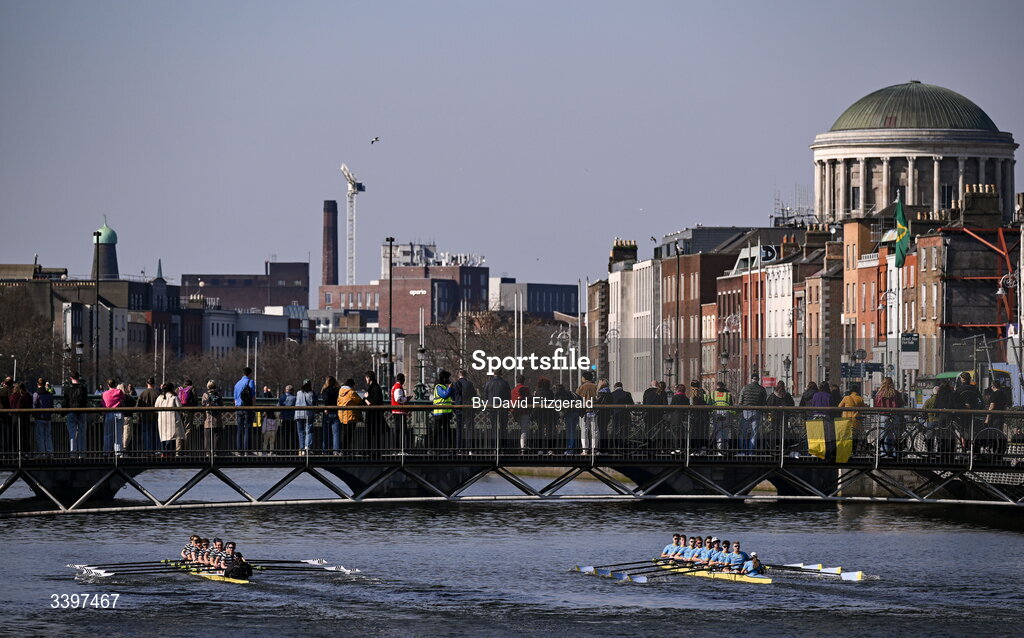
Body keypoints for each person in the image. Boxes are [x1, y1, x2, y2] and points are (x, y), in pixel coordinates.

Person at [982, 378, 1010, 460]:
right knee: (999, 433)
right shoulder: (1003, 394)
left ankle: (995, 451)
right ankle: (1000, 452)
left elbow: (992, 406)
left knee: (994, 434)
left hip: (995, 418)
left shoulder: (994, 394)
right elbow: (1005, 406)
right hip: (1001, 416)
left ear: (992, 386)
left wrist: (987, 418)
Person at [738, 374, 767, 452]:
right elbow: (764, 402)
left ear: (751, 379)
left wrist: (741, 408)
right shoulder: (762, 389)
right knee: (754, 433)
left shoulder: (745, 387)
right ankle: (751, 451)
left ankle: (742, 450)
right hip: (757, 411)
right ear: (758, 379)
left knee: (743, 431)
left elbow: (740, 400)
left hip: (746, 411)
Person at [483, 370, 511, 449]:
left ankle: (494, 447)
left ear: (493, 374)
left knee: (494, 428)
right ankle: (503, 447)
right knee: (503, 428)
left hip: (492, 408)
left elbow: (485, 396)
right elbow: (508, 396)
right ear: (501, 374)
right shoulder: (505, 383)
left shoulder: (488, 383)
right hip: (503, 408)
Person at [450, 369, 477, 450]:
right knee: (470, 429)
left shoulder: (456, 384)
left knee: (459, 429)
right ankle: (470, 449)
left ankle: (459, 448)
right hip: (468, 407)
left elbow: (453, 396)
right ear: (466, 375)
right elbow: (474, 394)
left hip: (459, 408)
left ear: (459, 375)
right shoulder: (470, 384)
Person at [155, 382, 184, 455]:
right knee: (172, 437)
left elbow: (155, 408)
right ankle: (170, 454)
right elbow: (180, 407)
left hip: (162, 420)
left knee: (163, 437)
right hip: (172, 420)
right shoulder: (174, 397)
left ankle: (163, 453)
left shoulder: (160, 397)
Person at [65, 371, 89, 455]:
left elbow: (66, 402)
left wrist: (63, 412)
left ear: (71, 378)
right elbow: (85, 401)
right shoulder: (83, 388)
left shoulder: (68, 389)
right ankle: (82, 453)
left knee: (72, 433)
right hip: (82, 411)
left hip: (71, 411)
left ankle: (73, 453)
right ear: (79, 378)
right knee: (82, 432)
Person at [336, 378, 363, 454]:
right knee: (349, 435)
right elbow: (359, 401)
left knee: (344, 434)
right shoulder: (351, 392)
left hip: (342, 415)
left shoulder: (340, 392)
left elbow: (338, 403)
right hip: (350, 416)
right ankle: (347, 450)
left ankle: (343, 450)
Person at [233, 367, 256, 453]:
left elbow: (235, 399)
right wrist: (253, 408)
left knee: (239, 429)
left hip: (239, 408)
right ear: (250, 374)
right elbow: (253, 397)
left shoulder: (237, 383)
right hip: (247, 408)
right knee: (247, 429)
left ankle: (239, 451)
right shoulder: (250, 382)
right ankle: (247, 451)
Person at [575, 372, 598, 455]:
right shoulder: (596, 387)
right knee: (594, 430)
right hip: (594, 410)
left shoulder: (580, 388)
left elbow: (576, 399)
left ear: (584, 378)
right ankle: (594, 449)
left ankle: (585, 450)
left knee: (584, 430)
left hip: (584, 411)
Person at [363, 371, 386, 453]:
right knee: (374, 434)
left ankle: (372, 451)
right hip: (374, 414)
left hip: (373, 415)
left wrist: (367, 399)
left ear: (369, 378)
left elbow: (374, 401)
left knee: (372, 434)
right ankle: (375, 451)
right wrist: (367, 400)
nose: (366, 380)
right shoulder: (375, 387)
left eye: (366, 378)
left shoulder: (374, 388)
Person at [432, 370, 455, 452]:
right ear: (444, 378)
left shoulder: (444, 386)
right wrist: (449, 388)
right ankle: (432, 448)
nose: (448, 379)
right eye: (447, 378)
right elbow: (445, 395)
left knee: (447, 432)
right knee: (436, 431)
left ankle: (450, 448)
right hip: (439, 413)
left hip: (445, 413)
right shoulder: (438, 386)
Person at [101, 379, 126, 453]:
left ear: (108, 385)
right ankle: (118, 453)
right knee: (118, 434)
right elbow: (123, 400)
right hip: (118, 413)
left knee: (108, 434)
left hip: (108, 413)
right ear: (115, 385)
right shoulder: (119, 391)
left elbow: (103, 404)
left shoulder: (104, 393)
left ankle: (106, 452)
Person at [136, 377, 160, 452]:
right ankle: (156, 451)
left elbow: (137, 406)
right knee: (156, 435)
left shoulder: (143, 393)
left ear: (147, 384)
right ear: (154, 384)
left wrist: (138, 416)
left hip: (145, 417)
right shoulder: (157, 393)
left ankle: (148, 451)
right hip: (156, 418)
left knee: (146, 435)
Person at [609, 382, 634, 452]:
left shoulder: (612, 394)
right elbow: (632, 405)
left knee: (616, 431)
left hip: (616, 415)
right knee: (625, 432)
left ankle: (616, 447)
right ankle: (624, 448)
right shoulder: (627, 394)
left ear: (615, 387)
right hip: (625, 416)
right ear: (622, 387)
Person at [31, 378, 54, 456]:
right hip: (48, 417)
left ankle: (42, 453)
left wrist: (34, 414)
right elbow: (51, 405)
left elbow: (34, 405)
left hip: (39, 417)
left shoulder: (36, 394)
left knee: (40, 436)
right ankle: (50, 452)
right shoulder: (49, 395)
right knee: (48, 435)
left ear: (38, 384)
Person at [533, 377, 556, 453]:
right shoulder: (550, 393)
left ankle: (540, 449)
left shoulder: (537, 393)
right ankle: (550, 449)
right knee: (549, 432)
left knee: (540, 431)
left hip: (540, 413)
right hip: (549, 413)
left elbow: (535, 403)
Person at [510, 374, 531, 452]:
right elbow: (529, 400)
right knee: (524, 429)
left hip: (516, 412)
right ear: (523, 381)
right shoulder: (526, 389)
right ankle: (523, 446)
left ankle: (522, 446)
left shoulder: (513, 391)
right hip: (525, 411)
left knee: (521, 429)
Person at [710, 382, 733, 452]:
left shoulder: (713, 394)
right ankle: (725, 448)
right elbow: (731, 404)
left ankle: (719, 449)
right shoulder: (728, 394)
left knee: (718, 430)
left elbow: (710, 404)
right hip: (726, 412)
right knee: (725, 430)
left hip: (716, 412)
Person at [177, 378, 198, 453]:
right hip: (188, 411)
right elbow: (195, 400)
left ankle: (178, 450)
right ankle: (186, 450)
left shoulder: (179, 389)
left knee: (179, 430)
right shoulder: (192, 388)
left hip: (179, 411)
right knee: (187, 430)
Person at [294, 379, 316, 455]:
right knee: (309, 431)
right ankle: (307, 447)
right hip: (308, 414)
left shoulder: (298, 393)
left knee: (300, 432)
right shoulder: (311, 393)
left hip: (298, 414)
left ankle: (302, 449)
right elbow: (313, 403)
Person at [201, 380, 223, 452]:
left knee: (207, 437)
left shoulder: (205, 395)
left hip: (208, 419)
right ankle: (216, 452)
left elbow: (202, 405)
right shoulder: (218, 395)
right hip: (217, 418)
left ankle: (207, 452)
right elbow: (222, 405)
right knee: (216, 435)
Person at [390, 374, 410, 451]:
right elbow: (398, 399)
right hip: (399, 412)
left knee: (397, 431)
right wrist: (407, 399)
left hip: (395, 411)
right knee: (402, 431)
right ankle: (401, 448)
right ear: (402, 380)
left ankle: (397, 448)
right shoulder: (398, 387)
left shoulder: (394, 386)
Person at [321, 377, 341, 452]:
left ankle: (326, 450)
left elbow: (325, 399)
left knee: (326, 433)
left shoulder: (326, 390)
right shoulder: (338, 389)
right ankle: (336, 450)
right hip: (336, 412)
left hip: (328, 412)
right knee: (336, 433)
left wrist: (326, 407)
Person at [278, 385, 297, 449]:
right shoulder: (294, 398)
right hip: (292, 418)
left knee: (285, 435)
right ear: (292, 390)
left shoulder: (282, 398)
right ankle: (293, 449)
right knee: (293, 435)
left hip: (284, 418)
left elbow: (278, 406)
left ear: (286, 390)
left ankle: (285, 449)